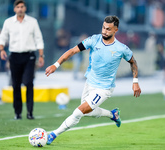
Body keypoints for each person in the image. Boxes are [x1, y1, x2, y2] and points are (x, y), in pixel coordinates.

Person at [45, 15, 141, 145]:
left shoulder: (121, 48)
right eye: (103, 27)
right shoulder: (94, 40)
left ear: (115, 30)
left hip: (104, 88)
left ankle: (53, 134)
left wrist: (135, 81)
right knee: (87, 112)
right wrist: (56, 65)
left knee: (78, 112)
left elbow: (133, 62)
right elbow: (73, 51)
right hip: (89, 83)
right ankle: (113, 115)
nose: (104, 31)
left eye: (108, 29)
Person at [0, 0, 44, 119]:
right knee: (16, 85)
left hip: (29, 56)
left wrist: (41, 55)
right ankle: (17, 113)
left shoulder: (32, 22)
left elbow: (39, 39)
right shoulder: (8, 22)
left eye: (22, 6)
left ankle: (30, 112)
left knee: (29, 83)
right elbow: (2, 37)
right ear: (14, 9)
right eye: (17, 7)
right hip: (14, 56)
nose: (20, 9)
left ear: (25, 8)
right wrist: (2, 49)